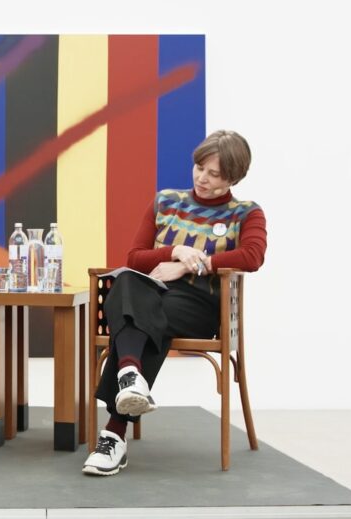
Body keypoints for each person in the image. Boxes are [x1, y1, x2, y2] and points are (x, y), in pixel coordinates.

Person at [82, 129, 267, 476]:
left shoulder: (246, 213)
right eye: (199, 168)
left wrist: (191, 264)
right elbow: (135, 257)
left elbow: (252, 256)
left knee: (144, 318)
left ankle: (115, 428)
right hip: (152, 294)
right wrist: (174, 250)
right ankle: (129, 382)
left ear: (234, 177)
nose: (202, 178)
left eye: (214, 174)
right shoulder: (166, 201)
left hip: (199, 303)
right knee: (125, 281)